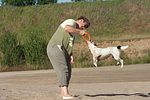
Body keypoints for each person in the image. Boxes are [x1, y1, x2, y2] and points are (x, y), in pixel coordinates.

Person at [47, 16, 90, 99]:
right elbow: (67, 28)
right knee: (63, 69)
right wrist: (80, 31)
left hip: (64, 51)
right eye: (84, 25)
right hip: (55, 47)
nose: (84, 28)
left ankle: (63, 93)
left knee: (69, 72)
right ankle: (66, 94)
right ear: (81, 20)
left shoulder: (75, 34)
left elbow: (69, 44)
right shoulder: (71, 22)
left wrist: (71, 54)